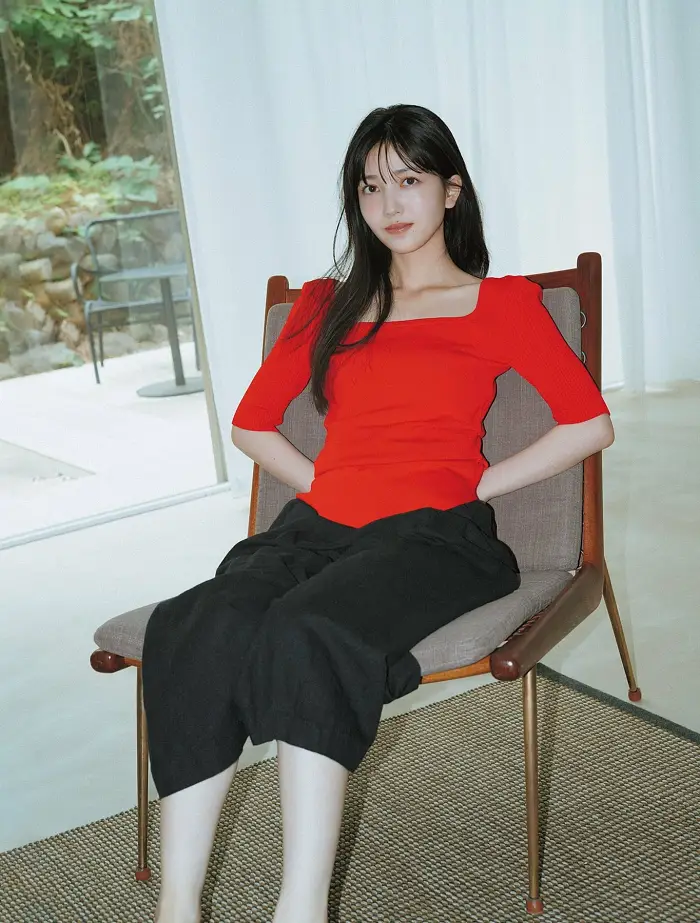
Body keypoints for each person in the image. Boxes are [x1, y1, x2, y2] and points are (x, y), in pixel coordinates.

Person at [142, 103, 614, 923]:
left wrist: (481, 484)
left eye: (408, 180)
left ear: (451, 190)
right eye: (369, 186)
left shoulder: (500, 303)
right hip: (318, 529)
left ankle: (301, 909)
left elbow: (590, 423)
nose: (388, 203)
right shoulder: (326, 304)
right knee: (198, 622)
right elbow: (251, 423)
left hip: (435, 536)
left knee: (309, 629)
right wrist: (330, 480)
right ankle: (175, 908)